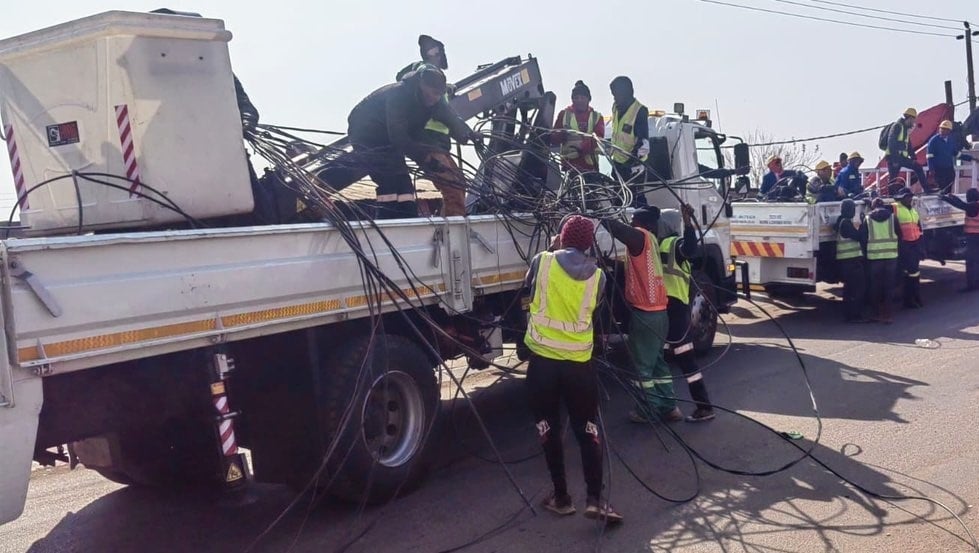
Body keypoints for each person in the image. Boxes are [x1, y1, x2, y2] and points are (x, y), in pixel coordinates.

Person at [522, 215, 623, 524]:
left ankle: (561, 497)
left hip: (542, 364)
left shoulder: (543, 261)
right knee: (587, 429)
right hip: (579, 365)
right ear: (589, 243)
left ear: (562, 238)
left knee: (548, 428)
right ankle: (595, 499)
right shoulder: (599, 277)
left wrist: (553, 250)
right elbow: (594, 310)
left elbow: (527, 291)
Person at [318, 66, 476, 219]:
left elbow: (450, 117)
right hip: (368, 135)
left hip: (396, 136)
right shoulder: (398, 96)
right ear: (421, 85)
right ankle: (391, 222)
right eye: (433, 94)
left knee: (406, 184)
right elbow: (398, 137)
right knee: (390, 179)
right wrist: (426, 159)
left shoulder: (433, 101)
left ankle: (408, 219)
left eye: (439, 95)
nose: (435, 99)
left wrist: (468, 134)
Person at [602, 208, 681, 423]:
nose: (632, 224)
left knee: (642, 367)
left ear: (642, 223)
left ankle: (647, 410)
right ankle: (669, 406)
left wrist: (598, 213)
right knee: (657, 363)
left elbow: (619, 230)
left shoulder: (641, 237)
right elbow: (635, 269)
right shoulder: (651, 241)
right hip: (658, 313)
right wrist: (609, 263)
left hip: (645, 314)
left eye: (634, 221)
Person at [395, 36, 467, 216]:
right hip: (429, 140)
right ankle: (453, 236)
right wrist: (465, 133)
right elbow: (444, 113)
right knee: (454, 189)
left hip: (438, 143)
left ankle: (446, 228)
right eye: (435, 52)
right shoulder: (427, 71)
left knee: (459, 183)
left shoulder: (431, 78)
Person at [658, 206, 715, 422]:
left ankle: (704, 407)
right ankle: (666, 406)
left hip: (675, 311)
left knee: (685, 360)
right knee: (663, 359)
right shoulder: (660, 242)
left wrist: (688, 222)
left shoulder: (673, 244)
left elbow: (689, 247)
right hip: (671, 309)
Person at [608, 76, 650, 206]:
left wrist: (630, 164)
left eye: (616, 94)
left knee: (635, 202)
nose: (614, 98)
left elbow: (643, 144)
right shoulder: (615, 108)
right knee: (618, 202)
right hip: (617, 164)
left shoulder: (639, 111)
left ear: (627, 92)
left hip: (634, 168)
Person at [552, 81, 605, 175]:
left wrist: (582, 148)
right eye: (576, 98)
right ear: (572, 99)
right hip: (570, 166)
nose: (579, 100)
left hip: (590, 167)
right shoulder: (563, 115)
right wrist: (560, 135)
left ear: (589, 99)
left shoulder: (597, 117)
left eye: (582, 97)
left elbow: (598, 138)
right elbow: (554, 138)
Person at [834, 199, 868, 322]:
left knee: (850, 290)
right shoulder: (846, 223)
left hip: (847, 261)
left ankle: (850, 315)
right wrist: (864, 222)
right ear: (847, 210)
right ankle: (854, 315)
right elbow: (859, 236)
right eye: (852, 209)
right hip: (851, 261)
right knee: (857, 289)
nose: (854, 211)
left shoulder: (841, 221)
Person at [865, 198, 899, 323]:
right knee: (889, 286)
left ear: (873, 207)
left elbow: (864, 238)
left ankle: (876, 313)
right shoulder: (892, 218)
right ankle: (888, 315)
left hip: (874, 258)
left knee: (875, 286)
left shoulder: (868, 219)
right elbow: (899, 235)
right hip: (891, 256)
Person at [940, 189, 979, 291]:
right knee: (977, 261)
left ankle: (972, 285)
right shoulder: (976, 205)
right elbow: (962, 204)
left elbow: (961, 205)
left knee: (971, 262)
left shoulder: (973, 206)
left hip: (974, 236)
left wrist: (946, 198)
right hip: (976, 236)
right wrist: (952, 196)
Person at [885, 108, 931, 192]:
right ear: (909, 118)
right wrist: (895, 160)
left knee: (918, 167)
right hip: (893, 158)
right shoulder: (897, 126)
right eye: (913, 120)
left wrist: (913, 156)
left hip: (901, 157)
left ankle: (927, 189)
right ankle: (891, 196)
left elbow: (908, 143)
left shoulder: (905, 129)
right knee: (893, 178)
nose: (914, 122)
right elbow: (891, 143)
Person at [894, 187, 924, 308]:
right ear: (901, 198)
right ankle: (909, 300)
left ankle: (915, 297)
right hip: (904, 245)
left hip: (914, 245)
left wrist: (922, 247)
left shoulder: (913, 211)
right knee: (908, 274)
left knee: (914, 273)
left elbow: (918, 228)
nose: (909, 199)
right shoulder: (896, 207)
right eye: (907, 197)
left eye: (910, 197)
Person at [927, 120, 960, 193]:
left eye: (944, 129)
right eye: (941, 128)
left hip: (949, 169)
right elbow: (929, 156)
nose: (942, 130)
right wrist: (931, 169)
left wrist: (970, 158)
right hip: (939, 170)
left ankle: (948, 201)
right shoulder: (933, 141)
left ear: (949, 131)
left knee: (948, 189)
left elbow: (956, 153)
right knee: (942, 189)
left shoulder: (951, 140)